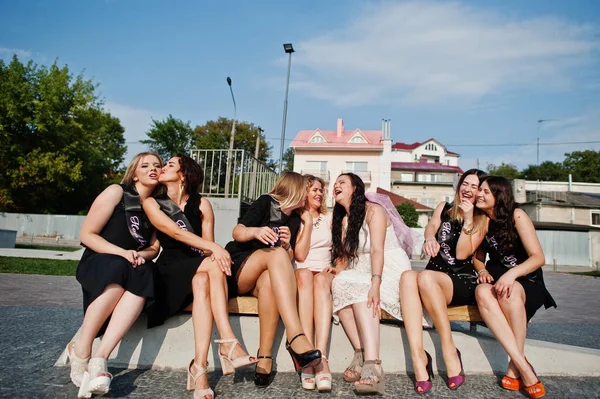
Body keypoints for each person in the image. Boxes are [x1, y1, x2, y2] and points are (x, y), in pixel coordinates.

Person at [143, 154, 256, 399]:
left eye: (170, 165)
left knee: (203, 278)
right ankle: (228, 340)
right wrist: (215, 249)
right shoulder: (153, 203)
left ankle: (200, 368)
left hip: (199, 268)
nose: (162, 168)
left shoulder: (202, 204)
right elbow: (174, 232)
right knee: (213, 263)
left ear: (183, 175)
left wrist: (212, 249)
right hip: (170, 271)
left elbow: (206, 247)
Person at [66, 152, 162, 398]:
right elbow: (87, 235)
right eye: (145, 165)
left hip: (130, 264)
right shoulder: (116, 192)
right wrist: (122, 252)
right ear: (134, 172)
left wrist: (143, 256)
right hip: (100, 259)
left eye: (157, 165)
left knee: (147, 271)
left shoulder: (157, 207)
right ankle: (81, 349)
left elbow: (153, 247)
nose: (152, 168)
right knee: (121, 267)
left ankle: (100, 358)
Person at [224, 171, 322, 387]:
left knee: (270, 281)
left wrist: (287, 246)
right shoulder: (266, 202)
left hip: (262, 278)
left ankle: (265, 356)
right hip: (240, 266)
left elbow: (289, 259)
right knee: (275, 255)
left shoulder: (295, 219)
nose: (308, 196)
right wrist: (255, 232)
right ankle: (296, 335)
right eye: (305, 191)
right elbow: (237, 232)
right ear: (294, 190)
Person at [399, 169, 488, 394]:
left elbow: (462, 254)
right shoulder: (444, 207)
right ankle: (418, 355)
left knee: (425, 277)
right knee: (408, 276)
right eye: (465, 184)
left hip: (459, 280)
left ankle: (449, 349)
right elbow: (431, 227)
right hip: (432, 277)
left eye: (474, 187)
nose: (467, 190)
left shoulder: (481, 218)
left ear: (480, 193)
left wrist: (468, 220)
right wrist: (430, 237)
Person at [330, 173, 415, 395]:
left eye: (342, 183)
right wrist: (337, 269)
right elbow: (347, 256)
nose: (336, 186)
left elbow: (377, 249)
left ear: (355, 189)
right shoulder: (344, 219)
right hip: (363, 267)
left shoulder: (374, 210)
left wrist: (375, 284)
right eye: (335, 183)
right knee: (338, 283)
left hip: (387, 266)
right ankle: (359, 351)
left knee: (362, 289)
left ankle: (373, 364)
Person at [474, 176, 556, 399]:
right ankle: (522, 364)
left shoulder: (517, 215)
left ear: (498, 196)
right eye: (479, 190)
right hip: (498, 278)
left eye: (485, 191)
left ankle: (514, 368)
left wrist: (512, 274)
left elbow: (538, 258)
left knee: (508, 295)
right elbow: (478, 259)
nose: (479, 194)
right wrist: (482, 271)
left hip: (526, 279)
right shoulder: (481, 220)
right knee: (482, 291)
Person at [293, 175, 335, 391]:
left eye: (321, 190)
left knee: (319, 279)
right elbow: (299, 255)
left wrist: (337, 266)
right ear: (304, 193)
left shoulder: (330, 218)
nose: (319, 194)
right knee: (305, 275)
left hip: (325, 270)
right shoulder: (296, 219)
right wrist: (307, 222)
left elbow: (342, 248)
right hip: (303, 271)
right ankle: (308, 356)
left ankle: (322, 356)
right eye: (314, 190)